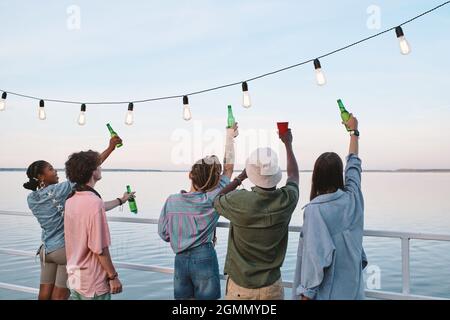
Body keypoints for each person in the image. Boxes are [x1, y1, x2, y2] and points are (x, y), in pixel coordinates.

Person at [23, 136, 122, 300]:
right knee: (60, 296)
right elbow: (86, 168)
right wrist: (110, 148)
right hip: (63, 251)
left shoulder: (31, 198)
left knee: (44, 294)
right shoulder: (60, 191)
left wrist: (120, 200)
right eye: (50, 169)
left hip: (46, 249)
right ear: (41, 177)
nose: (55, 171)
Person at [213, 128, 299, 300]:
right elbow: (294, 176)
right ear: (275, 173)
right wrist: (288, 144)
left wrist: (240, 178)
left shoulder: (238, 201)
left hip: (240, 287)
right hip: (271, 287)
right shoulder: (287, 199)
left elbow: (217, 199)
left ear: (251, 173)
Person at [158, 124, 238, 300]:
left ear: (190, 175)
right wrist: (230, 137)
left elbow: (163, 234)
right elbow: (229, 168)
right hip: (204, 257)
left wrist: (182, 236)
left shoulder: (172, 201)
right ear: (215, 180)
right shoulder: (212, 199)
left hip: (179, 259)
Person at [292, 114, 368, 300]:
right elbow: (353, 166)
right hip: (354, 291)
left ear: (316, 177)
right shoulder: (353, 198)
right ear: (338, 176)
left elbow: (314, 258)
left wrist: (305, 295)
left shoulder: (315, 210)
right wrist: (354, 132)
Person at [63, 150, 134, 300]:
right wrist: (113, 276)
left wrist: (122, 200)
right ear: (92, 171)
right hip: (93, 281)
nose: (101, 168)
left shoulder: (71, 200)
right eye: (98, 166)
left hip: (75, 275)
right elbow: (99, 248)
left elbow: (99, 206)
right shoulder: (93, 203)